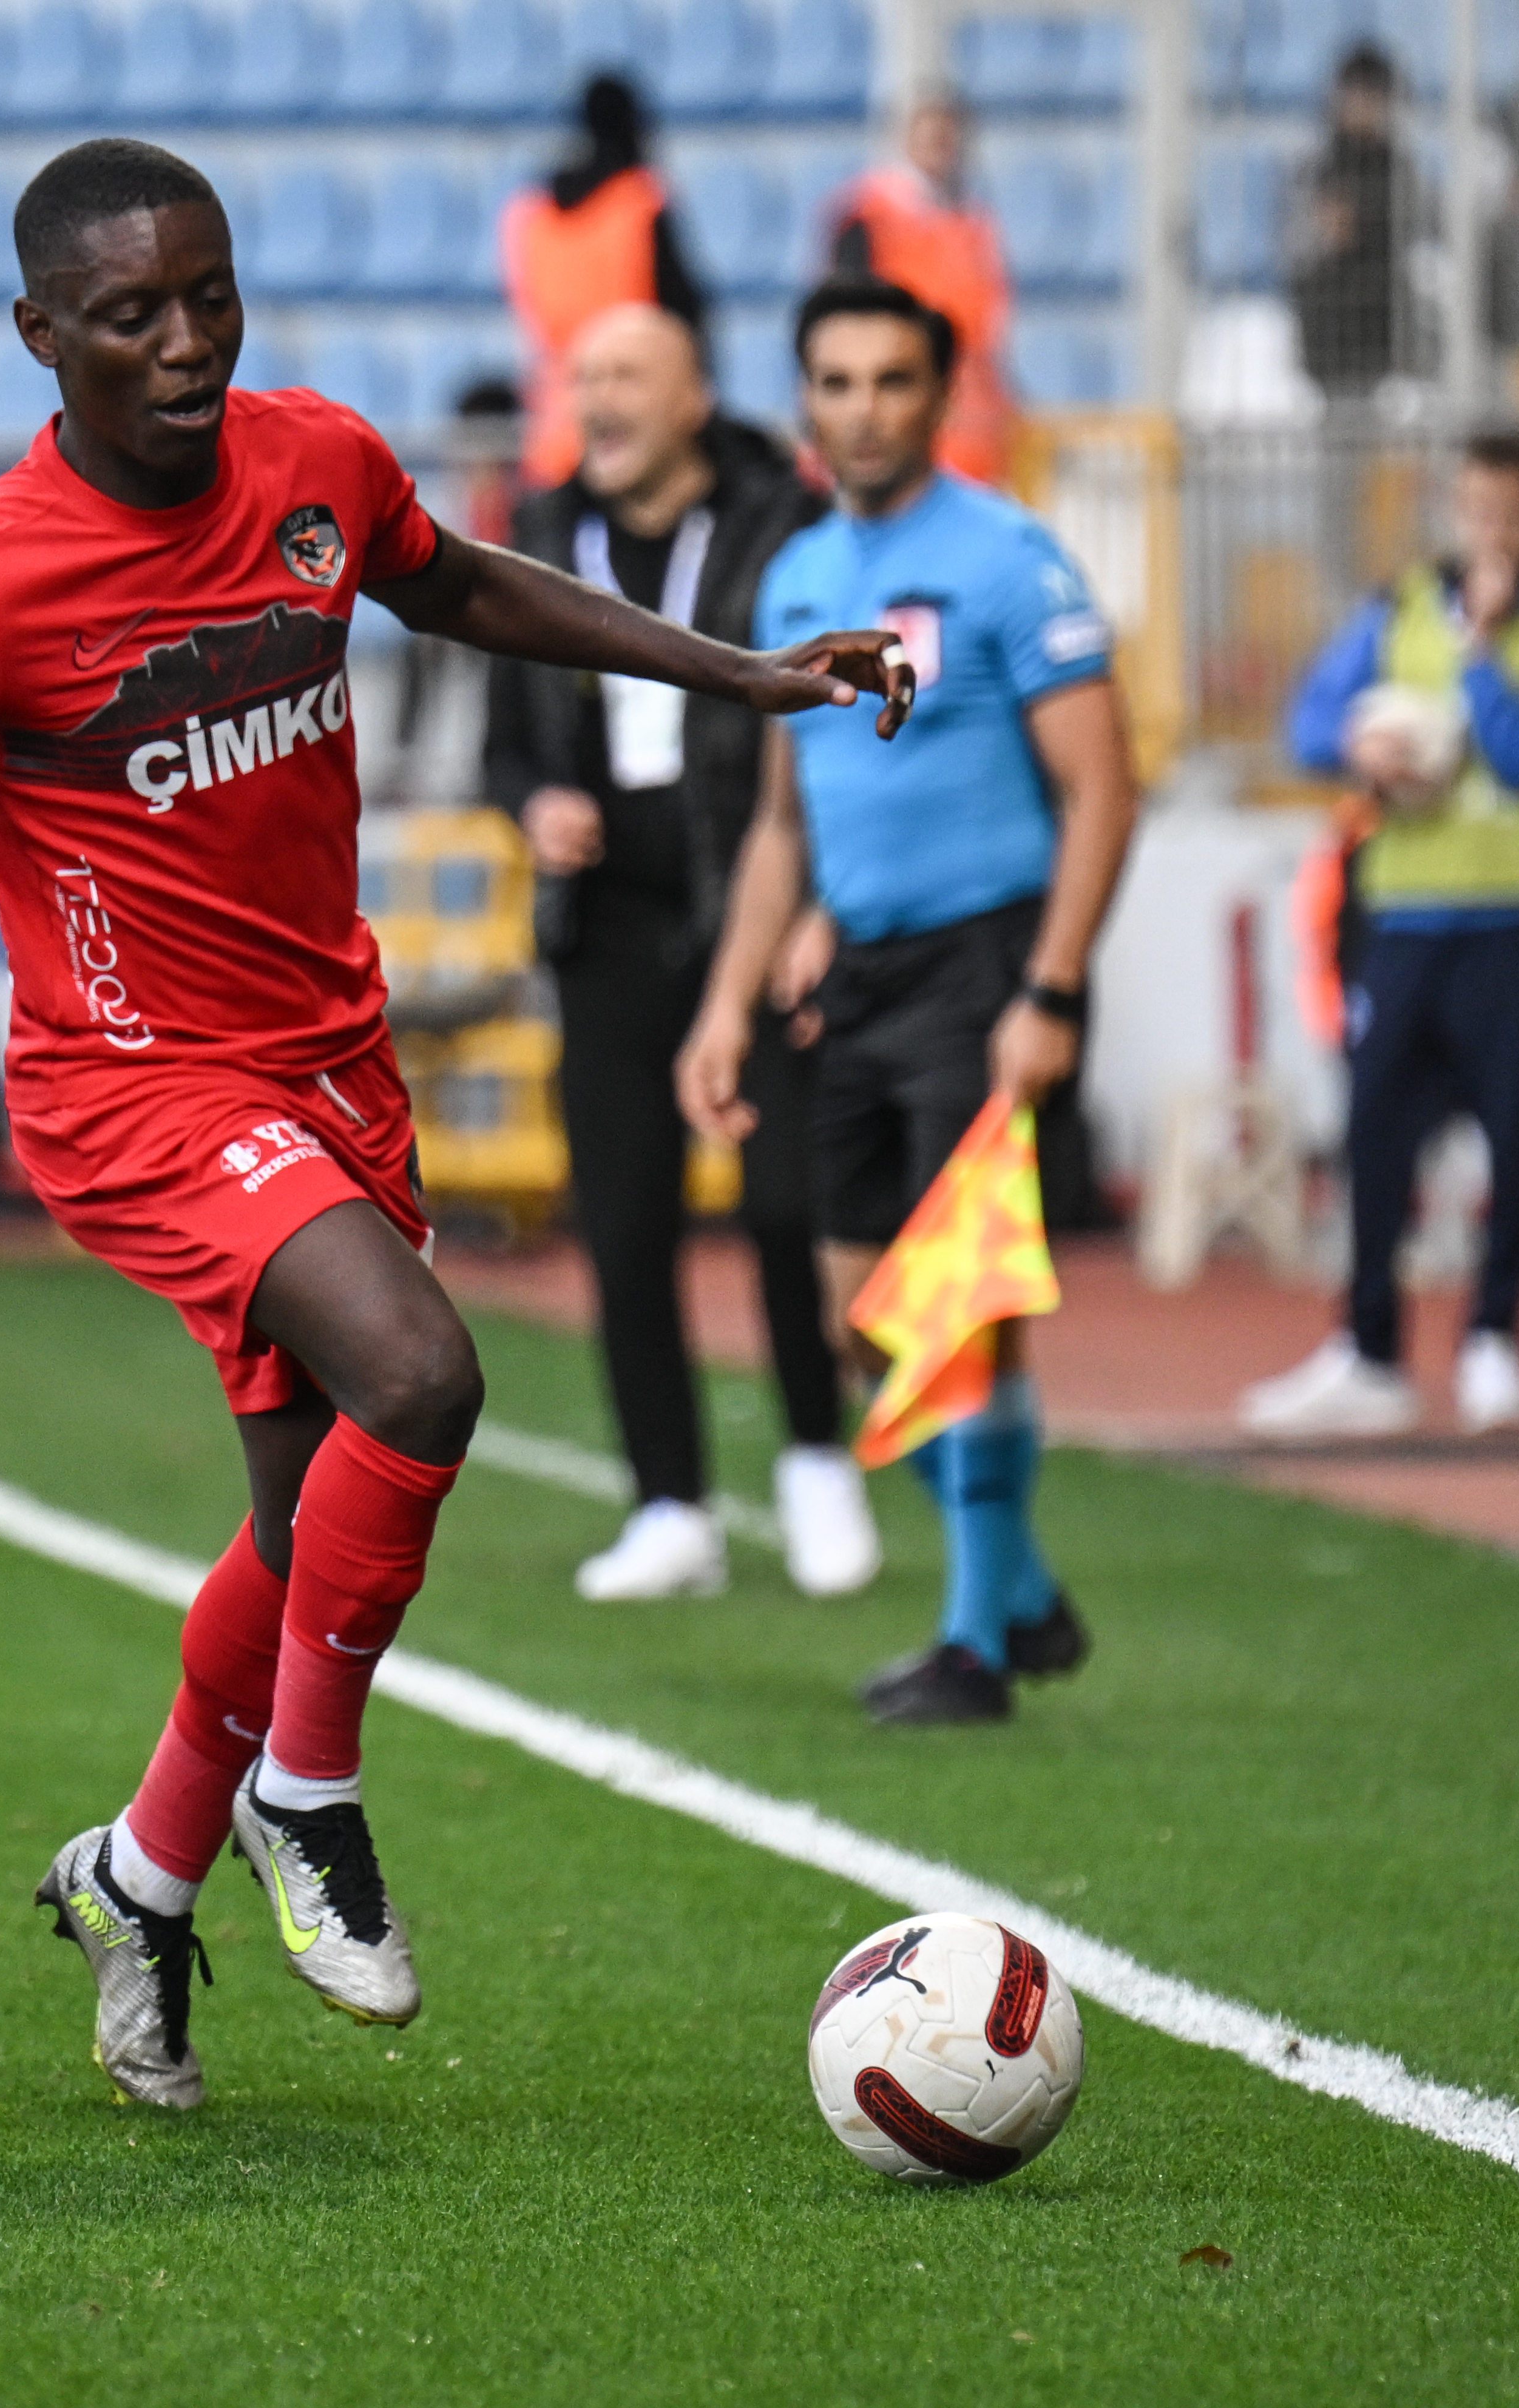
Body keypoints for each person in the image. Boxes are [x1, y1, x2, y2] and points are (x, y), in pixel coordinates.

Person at [0, 139, 908, 2110]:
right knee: (422, 1368)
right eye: (132, 314)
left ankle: (140, 1875)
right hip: (134, 1083)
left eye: (208, 294)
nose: (188, 342)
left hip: (327, 1059)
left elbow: (462, 578)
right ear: (41, 335)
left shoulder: (316, 466)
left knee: (306, 1519)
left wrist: (733, 671)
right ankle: (305, 1790)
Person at [677, 276, 1140, 1728]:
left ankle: (973, 1646)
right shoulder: (798, 576)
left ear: (938, 397)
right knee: (858, 1323)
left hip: (985, 965)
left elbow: (1101, 788)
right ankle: (1019, 1586)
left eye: (890, 381)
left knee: (961, 1316)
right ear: (802, 398)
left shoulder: (1007, 559)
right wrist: (722, 1003)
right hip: (857, 981)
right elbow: (779, 821)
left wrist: (1051, 988)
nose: (861, 409)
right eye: (834, 381)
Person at [481, 302, 879, 1602]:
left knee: (780, 1200)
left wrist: (819, 897)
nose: (596, 398)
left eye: (626, 376)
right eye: (583, 374)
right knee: (626, 1216)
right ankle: (668, 1504)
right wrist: (535, 803)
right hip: (602, 924)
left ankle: (818, 1455)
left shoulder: (785, 527)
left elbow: (833, 718)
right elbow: (506, 738)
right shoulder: (540, 535)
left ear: (694, 396)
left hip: (748, 909)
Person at [1243, 429, 1519, 1438]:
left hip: (1516, 919)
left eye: (1510, 514)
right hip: (1403, 914)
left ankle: (1494, 1338)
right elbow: (1307, 725)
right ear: (1452, 509)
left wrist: (1481, 659)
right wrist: (1359, 746)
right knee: (1375, 1132)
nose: (1489, 533)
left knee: (1514, 1130)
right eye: (1474, 511)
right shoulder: (1395, 607)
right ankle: (1367, 1346)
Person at [501, 73, 713, 492]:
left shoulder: (529, 214)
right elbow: (685, 317)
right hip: (639, 423)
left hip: (555, 427)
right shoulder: (640, 201)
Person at [827, 92, 1016, 489]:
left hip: (971, 426)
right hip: (908, 410)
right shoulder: (870, 215)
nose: (939, 148)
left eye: (946, 137)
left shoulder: (973, 224)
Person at [1292, 42, 1412, 400]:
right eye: (1356, 93)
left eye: (1373, 94)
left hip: (1385, 337)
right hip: (1328, 339)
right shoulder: (1315, 167)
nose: (1363, 105)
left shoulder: (1400, 170)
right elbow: (1306, 242)